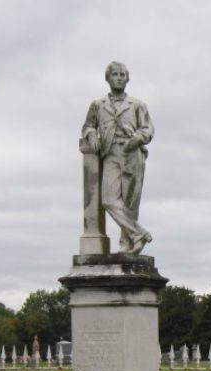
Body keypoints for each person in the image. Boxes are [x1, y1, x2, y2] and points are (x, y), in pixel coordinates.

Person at [81, 61, 154, 254]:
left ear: (127, 79)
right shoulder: (98, 104)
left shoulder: (137, 104)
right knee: (109, 199)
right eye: (115, 74)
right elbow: (88, 125)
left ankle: (127, 243)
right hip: (110, 152)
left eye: (123, 75)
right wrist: (91, 135)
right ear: (108, 78)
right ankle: (139, 233)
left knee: (130, 202)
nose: (119, 78)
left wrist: (136, 140)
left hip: (132, 152)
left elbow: (148, 129)